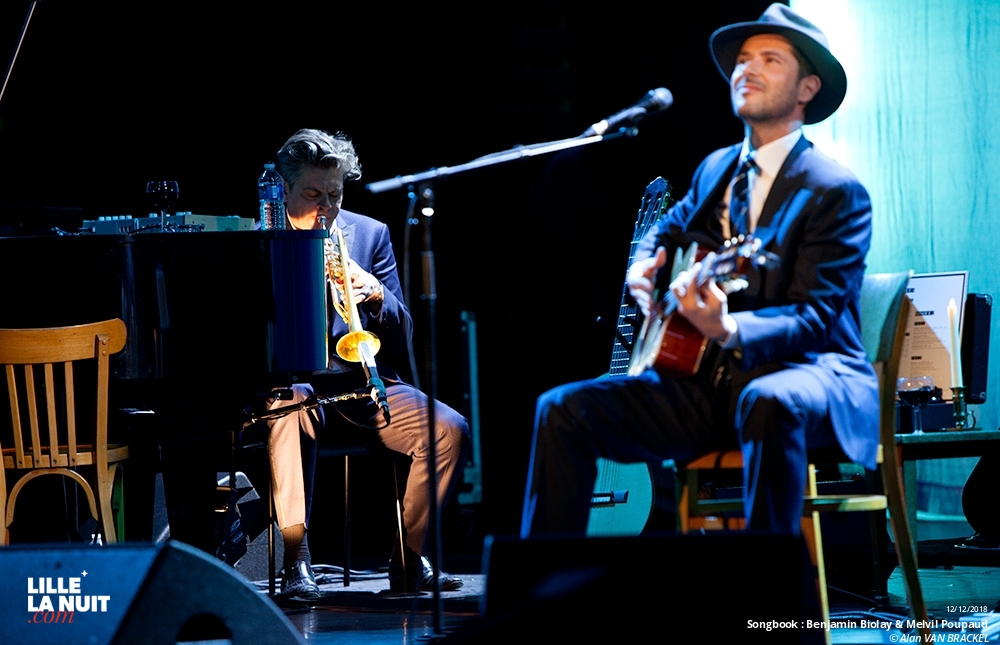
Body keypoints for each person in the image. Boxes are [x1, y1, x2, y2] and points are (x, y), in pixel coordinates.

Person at [521, 4, 879, 537]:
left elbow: (815, 317)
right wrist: (644, 266)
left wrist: (729, 328)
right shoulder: (717, 168)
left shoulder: (835, 190)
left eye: (770, 60)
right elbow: (665, 231)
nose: (747, 69)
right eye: (743, 59)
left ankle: (771, 582)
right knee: (563, 409)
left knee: (768, 401)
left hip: (814, 377)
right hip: (714, 384)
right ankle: (547, 581)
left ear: (808, 88)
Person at [265, 129, 470, 599]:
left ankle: (409, 560)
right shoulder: (262, 235)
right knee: (288, 410)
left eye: (334, 195)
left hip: (361, 384)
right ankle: (297, 562)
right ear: (285, 188)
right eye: (313, 195)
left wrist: (376, 294)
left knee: (448, 429)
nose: (326, 208)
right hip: (293, 386)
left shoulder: (370, 234)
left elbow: (403, 335)